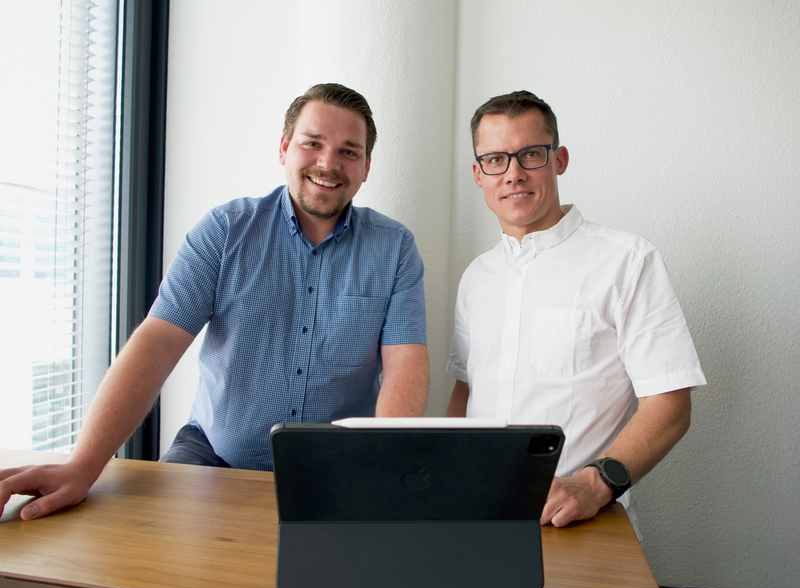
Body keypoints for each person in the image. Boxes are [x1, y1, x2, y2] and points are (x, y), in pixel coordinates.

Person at [0, 83, 429, 520]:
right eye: (312, 143)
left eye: (348, 152)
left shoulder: (394, 249)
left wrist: (382, 468)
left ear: (366, 167)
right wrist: (83, 465)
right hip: (212, 453)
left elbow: (405, 365)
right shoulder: (225, 231)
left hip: (340, 465)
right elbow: (158, 341)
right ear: (284, 147)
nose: (328, 163)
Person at [446, 90, 705, 528]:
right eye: (495, 160)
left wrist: (593, 484)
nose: (513, 174)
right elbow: (466, 392)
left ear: (559, 159)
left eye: (530, 154)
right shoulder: (477, 276)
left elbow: (671, 404)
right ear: (478, 173)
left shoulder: (627, 261)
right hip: (479, 514)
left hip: (584, 522)